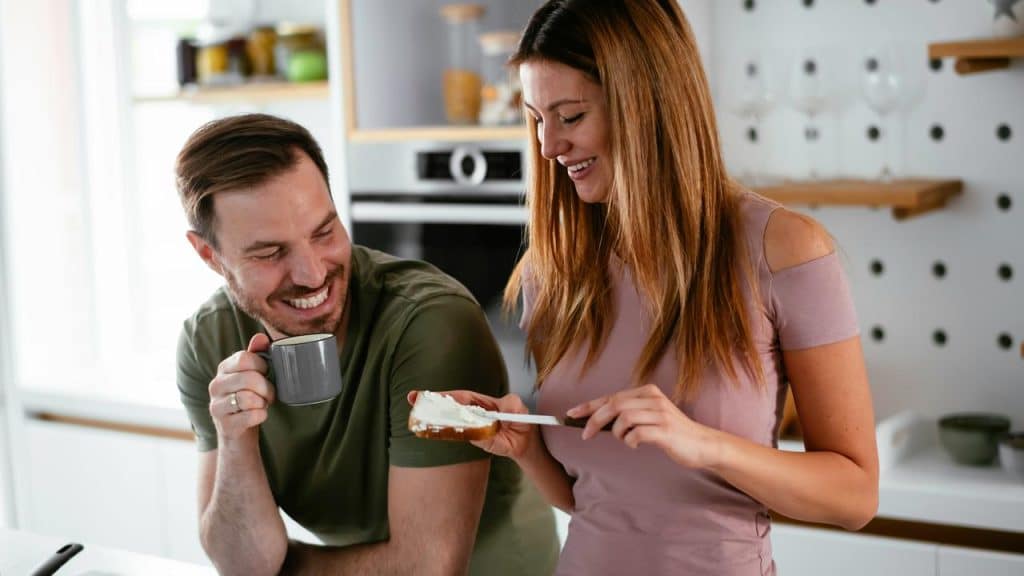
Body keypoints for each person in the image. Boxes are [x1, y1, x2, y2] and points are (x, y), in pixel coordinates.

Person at [421, 1, 880, 574]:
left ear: (645, 105)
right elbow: (587, 499)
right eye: (536, 118)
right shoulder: (554, 271)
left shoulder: (783, 251)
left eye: (569, 116)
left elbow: (855, 497)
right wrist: (525, 447)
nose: (546, 147)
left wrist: (700, 443)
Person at [173, 113, 559, 576]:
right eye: (270, 253)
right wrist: (236, 439)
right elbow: (240, 563)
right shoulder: (207, 342)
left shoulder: (431, 324)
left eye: (323, 232)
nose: (312, 274)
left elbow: (426, 569)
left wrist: (284, 568)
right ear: (209, 255)